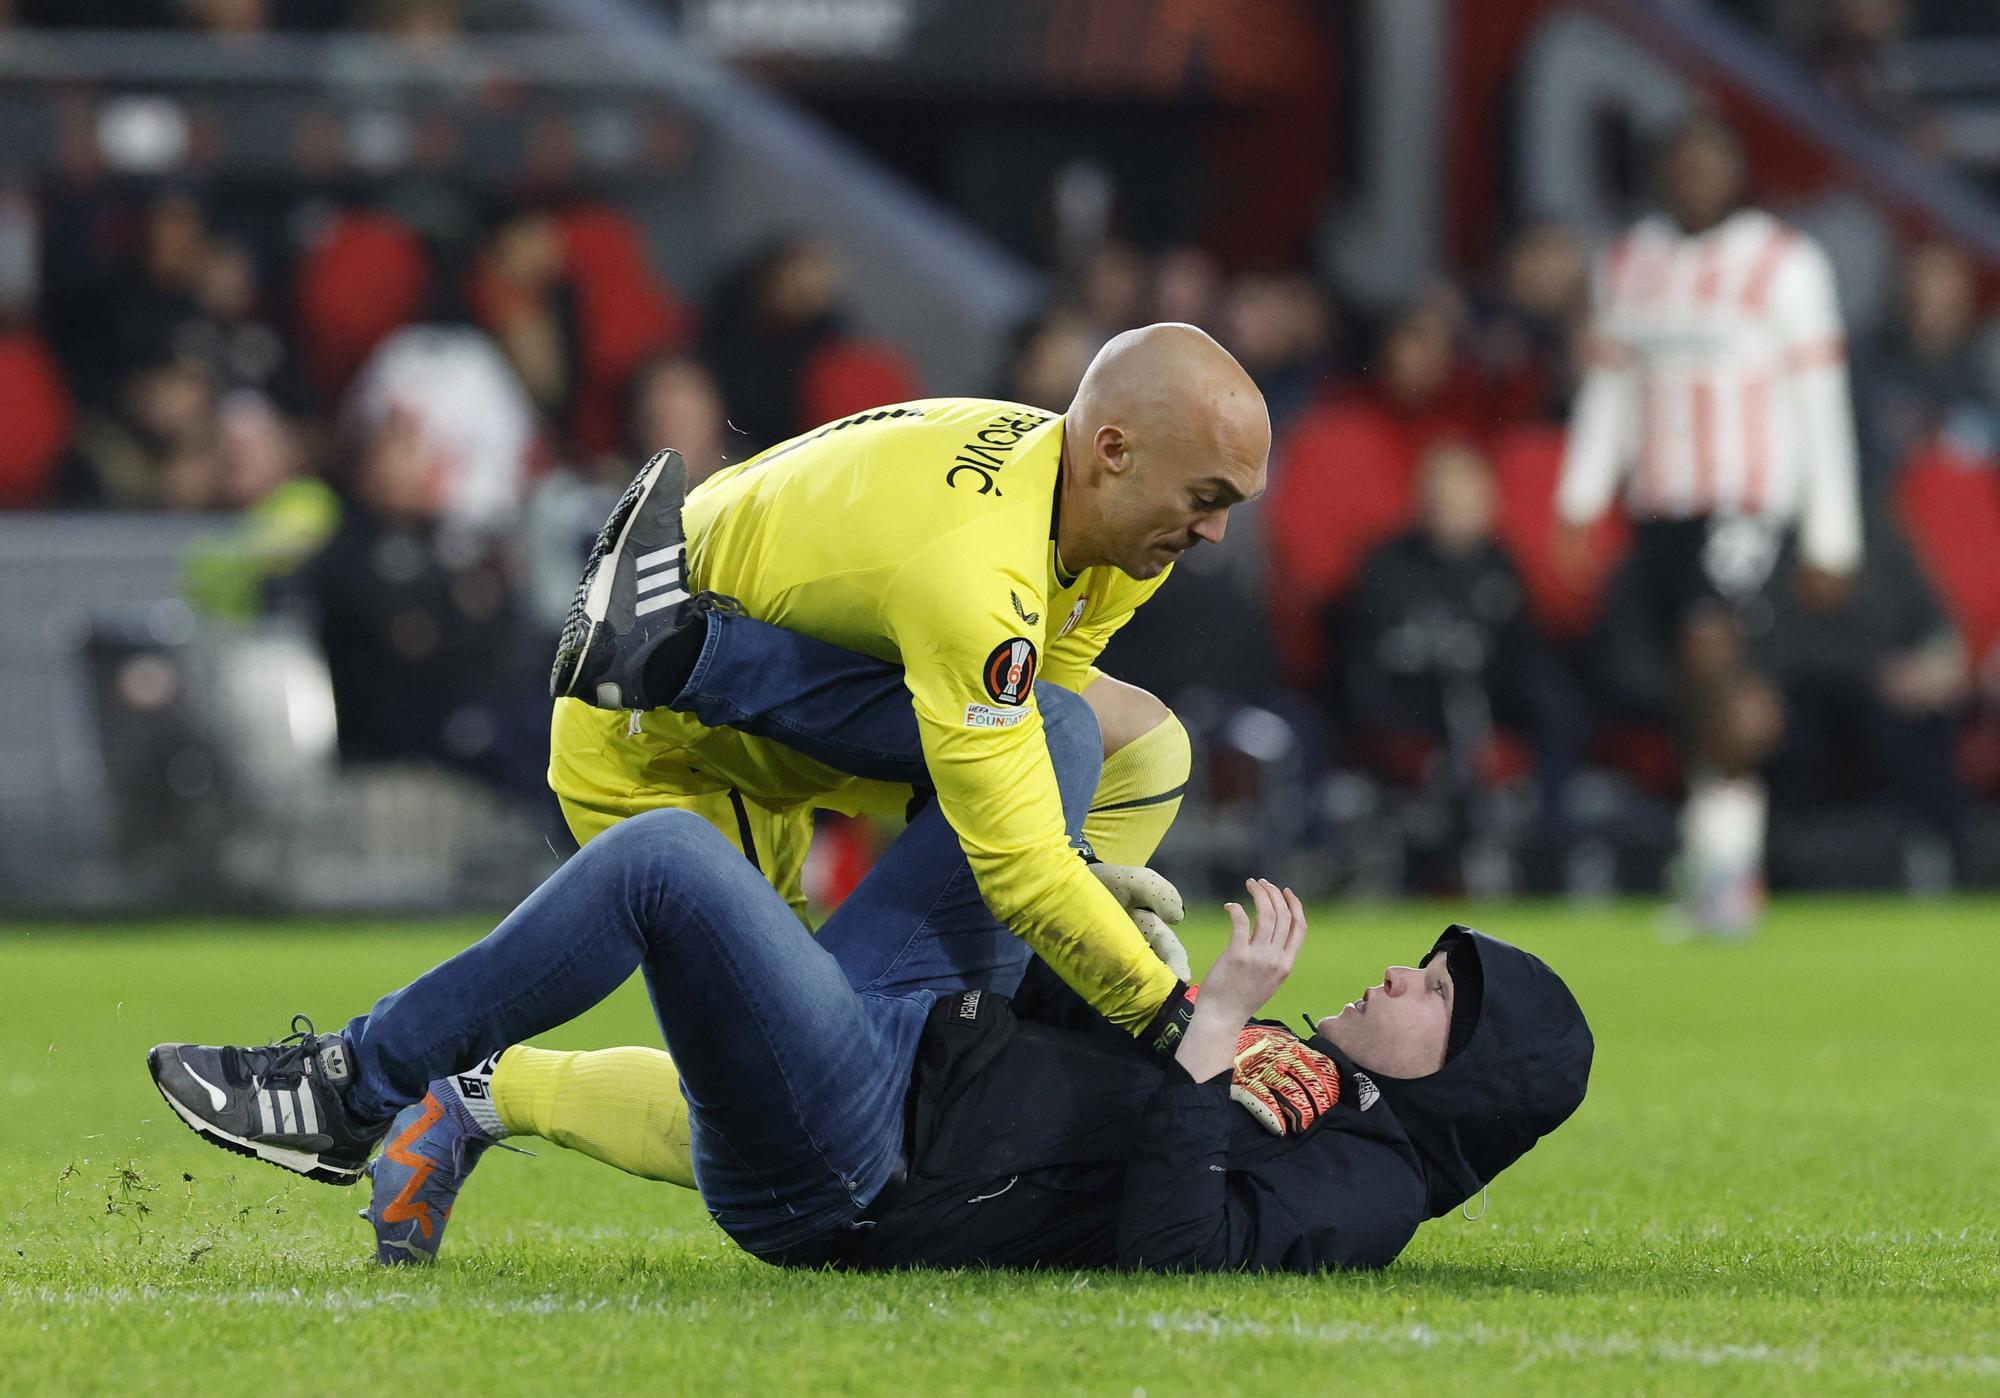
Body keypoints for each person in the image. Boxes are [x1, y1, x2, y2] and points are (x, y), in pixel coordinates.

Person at [148, 615, 1593, 1274]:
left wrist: (1208, 1025)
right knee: (1061, 729)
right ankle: (691, 659)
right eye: (1431, 958)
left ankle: (349, 1090)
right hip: (930, 1023)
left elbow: (1175, 1249)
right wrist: (1087, 907)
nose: (1406, 970)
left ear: (1461, 1080)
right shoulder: (1317, 1078)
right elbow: (1072, 1064)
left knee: (662, 859)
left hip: (865, 1157)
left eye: (1439, 996)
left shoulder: (1371, 1188)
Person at [547, 322, 1268, 1057]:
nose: (1214, 530)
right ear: (1114, 450)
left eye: (1232, 503)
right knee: (795, 1078)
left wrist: (1075, 881)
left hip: (775, 697)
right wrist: (1167, 1012)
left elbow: (1037, 727)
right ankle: (487, 1095)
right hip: (658, 742)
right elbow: (1015, 855)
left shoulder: (1097, 514)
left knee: (1143, 746)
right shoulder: (979, 572)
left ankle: (1011, 1026)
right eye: (1206, 496)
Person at [1555, 110, 1864, 936]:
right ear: (1660, 173)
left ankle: (1727, 875)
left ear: (1736, 170)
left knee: (1713, 657)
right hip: (1662, 510)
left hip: (1747, 501)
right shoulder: (1631, 263)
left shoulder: (1784, 262)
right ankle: (1720, 860)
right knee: (1692, 689)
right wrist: (1582, 497)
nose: (1693, 178)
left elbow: (1820, 399)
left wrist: (1835, 532)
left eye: (1708, 162)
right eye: (1679, 163)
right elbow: (1612, 391)